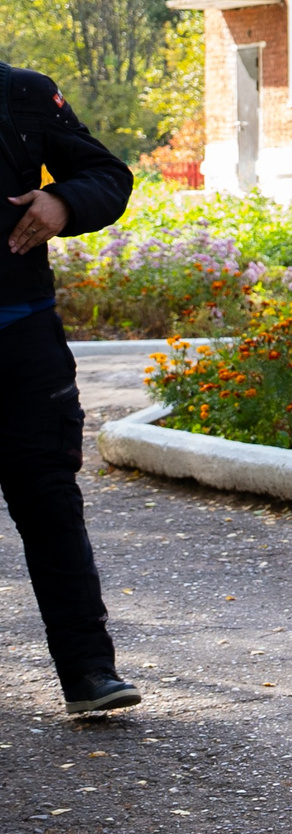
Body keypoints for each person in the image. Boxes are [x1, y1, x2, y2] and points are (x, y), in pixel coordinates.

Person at [0, 65, 137, 717]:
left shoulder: (21, 92)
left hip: (21, 337)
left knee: (50, 500)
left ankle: (88, 673)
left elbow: (107, 175)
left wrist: (63, 202)